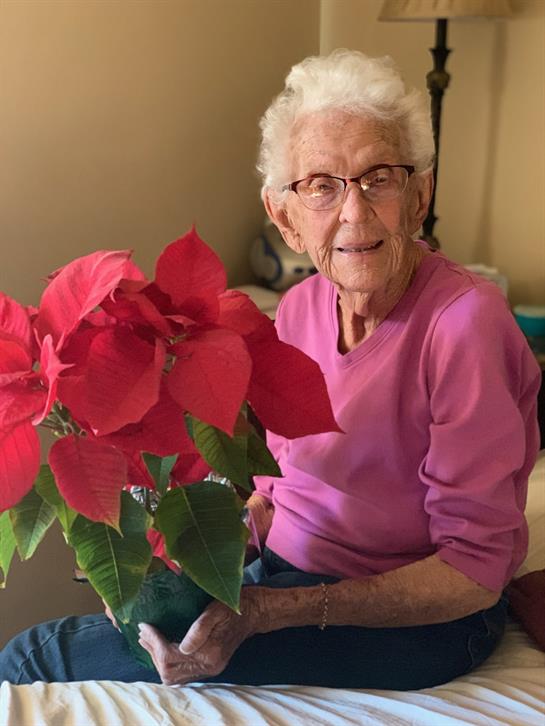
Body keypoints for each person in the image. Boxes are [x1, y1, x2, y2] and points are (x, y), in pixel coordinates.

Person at [0, 49, 540, 690]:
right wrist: (187, 559)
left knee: (34, 658)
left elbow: (474, 571)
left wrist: (270, 611)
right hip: (285, 579)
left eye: (380, 178)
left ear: (420, 194)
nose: (354, 212)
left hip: (419, 623)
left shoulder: (464, 323)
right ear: (284, 217)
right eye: (321, 186)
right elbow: (276, 486)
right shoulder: (299, 308)